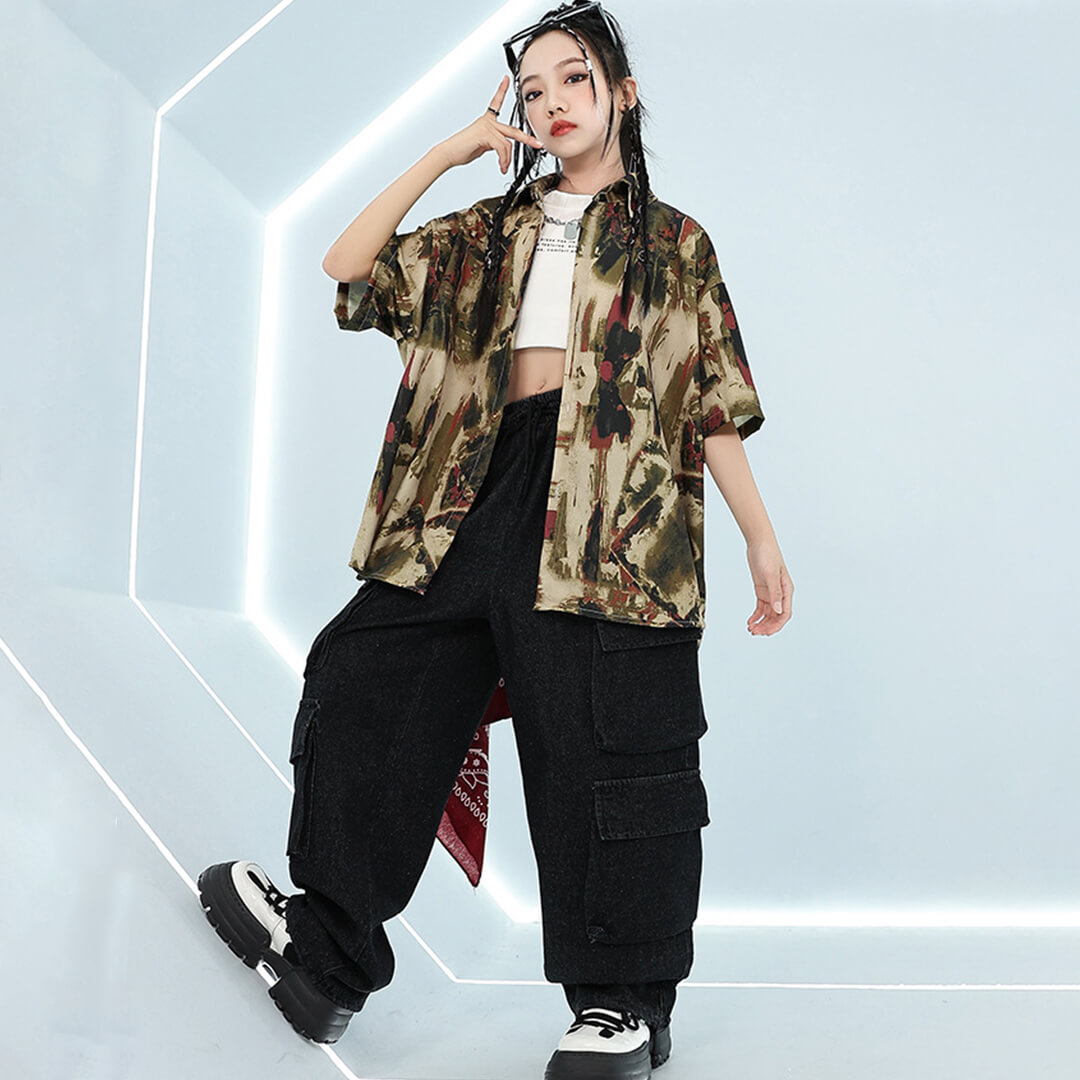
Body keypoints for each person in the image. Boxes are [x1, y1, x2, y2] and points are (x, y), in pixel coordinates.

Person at [198, 2, 793, 1077]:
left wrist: (760, 538)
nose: (552, 101)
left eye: (575, 78)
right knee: (368, 674)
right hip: (472, 486)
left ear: (623, 93)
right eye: (532, 89)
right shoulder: (485, 230)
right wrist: (450, 152)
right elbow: (346, 263)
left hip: (616, 509)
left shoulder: (676, 245)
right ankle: (328, 954)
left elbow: (711, 405)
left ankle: (622, 1006)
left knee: (606, 740)